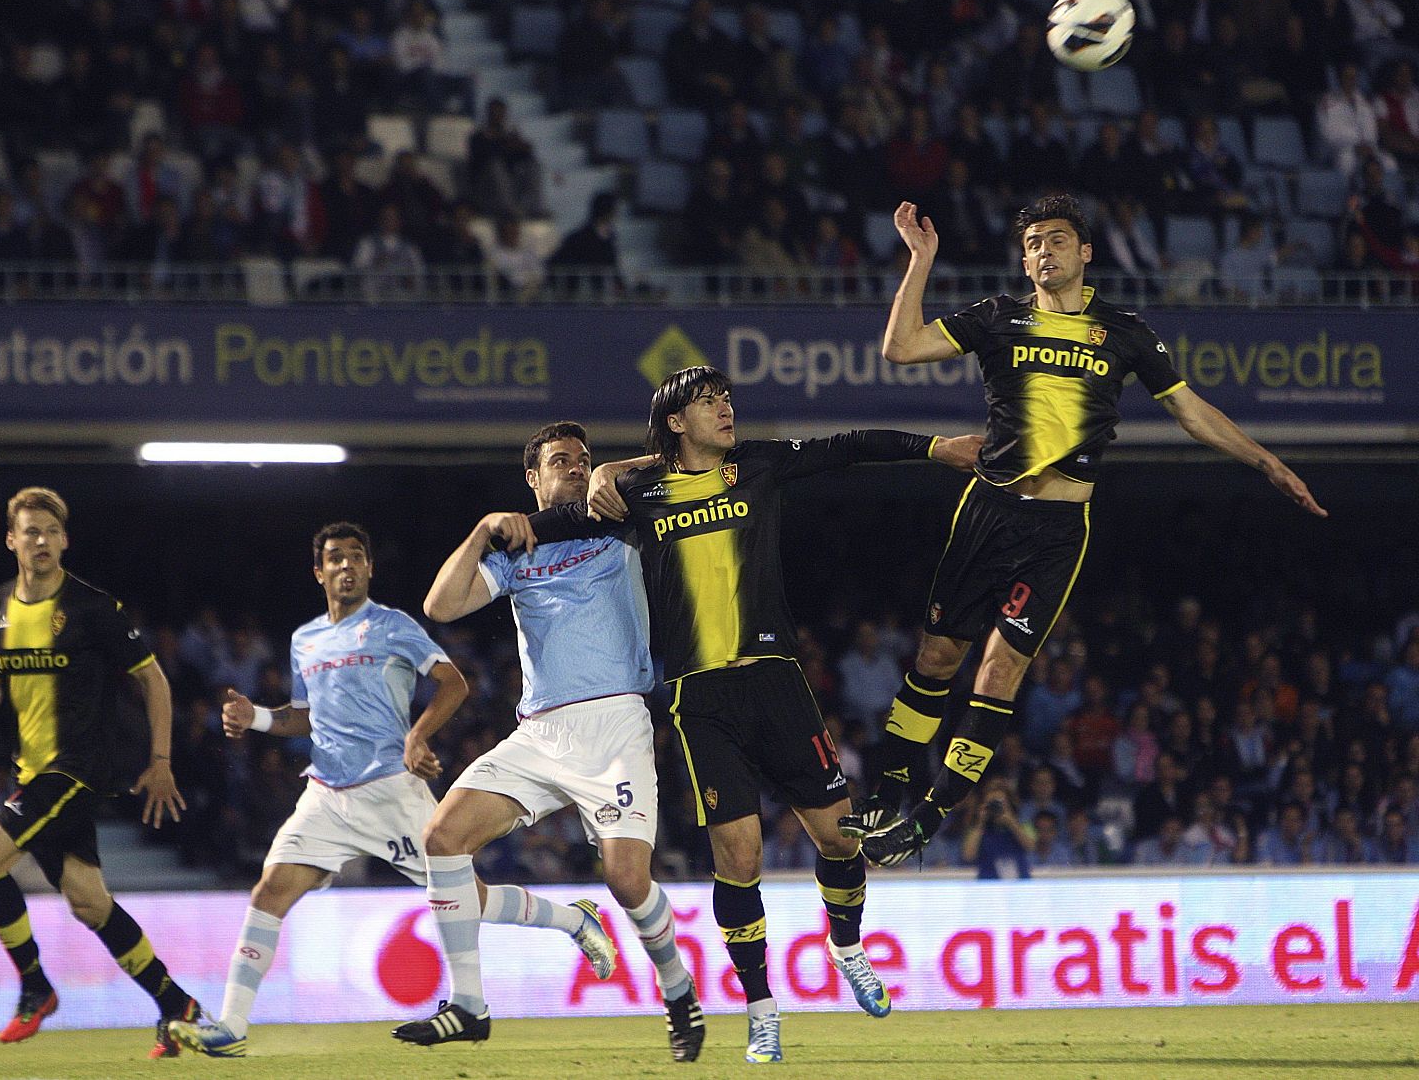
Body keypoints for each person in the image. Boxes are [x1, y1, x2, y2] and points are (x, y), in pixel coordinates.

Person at [852, 193, 1327, 869]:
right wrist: (921, 260)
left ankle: (928, 816)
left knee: (1000, 667)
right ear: (1025, 261)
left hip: (1056, 529)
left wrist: (1268, 462)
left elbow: (1191, 410)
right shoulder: (998, 317)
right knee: (935, 660)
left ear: (1085, 253)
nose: (1045, 251)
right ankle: (891, 783)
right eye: (1034, 244)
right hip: (988, 509)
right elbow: (899, 348)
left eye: (1057, 239)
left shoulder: (1125, 331)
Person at [535, 366, 980, 1063]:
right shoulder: (638, 493)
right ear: (677, 421)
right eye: (709, 401)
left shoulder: (760, 466)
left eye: (727, 398)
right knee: (738, 859)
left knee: (841, 840)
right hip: (699, 698)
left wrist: (937, 449)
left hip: (776, 683)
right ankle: (761, 1007)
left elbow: (850, 444)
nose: (726, 408)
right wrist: (493, 532)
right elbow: (547, 523)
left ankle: (847, 944)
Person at [391, 421, 702, 1060]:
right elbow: (440, 607)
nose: (576, 469)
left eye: (583, 461)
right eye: (561, 461)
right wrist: (483, 530)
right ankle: (470, 1006)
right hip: (540, 731)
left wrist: (617, 471)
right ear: (532, 479)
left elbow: (686, 458)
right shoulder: (517, 553)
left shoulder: (619, 522)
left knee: (625, 876)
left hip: (615, 721)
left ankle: (677, 990)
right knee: (442, 840)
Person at [170, 523, 469, 1057]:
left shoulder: (393, 625)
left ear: (369, 568)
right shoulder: (304, 639)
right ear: (319, 571)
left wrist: (418, 735)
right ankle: (233, 1026)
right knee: (268, 892)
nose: (346, 565)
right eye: (335, 558)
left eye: (357, 556)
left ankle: (569, 918)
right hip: (327, 794)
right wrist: (255, 717)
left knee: (469, 901)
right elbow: (305, 718)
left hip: (391, 791)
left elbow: (455, 683)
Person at [0, 487, 202, 1054]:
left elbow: (153, 680)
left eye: (51, 532)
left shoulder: (92, 609)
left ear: (65, 541)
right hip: (31, 773)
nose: (42, 541)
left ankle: (36, 988)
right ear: (12, 540)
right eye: (30, 531)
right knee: (88, 901)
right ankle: (176, 1003)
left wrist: (161, 761)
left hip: (77, 771)